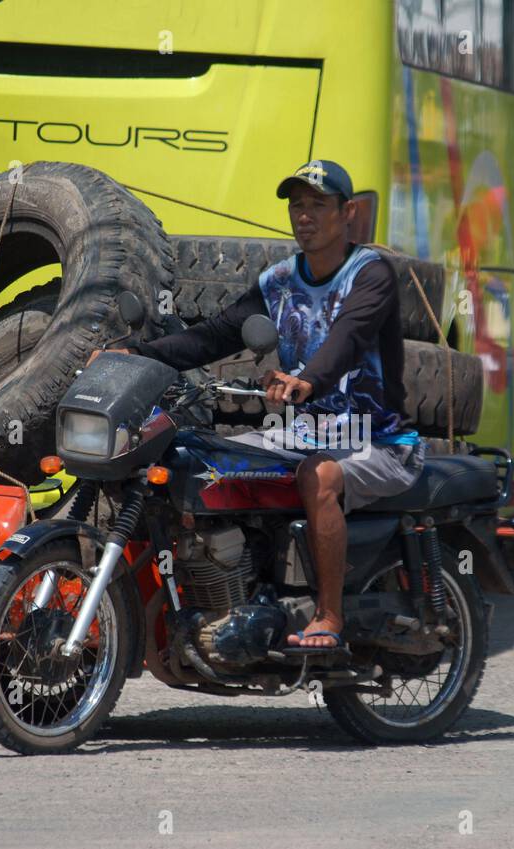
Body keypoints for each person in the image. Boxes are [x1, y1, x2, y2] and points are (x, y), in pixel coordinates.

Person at [93, 159, 424, 648]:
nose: (304, 215)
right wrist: (135, 355)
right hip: (305, 433)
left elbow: (348, 337)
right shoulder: (278, 282)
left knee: (320, 475)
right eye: (296, 205)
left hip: (377, 440)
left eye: (317, 204)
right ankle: (224, 597)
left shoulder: (370, 274)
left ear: (348, 212)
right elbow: (214, 336)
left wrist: (307, 381)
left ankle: (328, 616)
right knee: (197, 461)